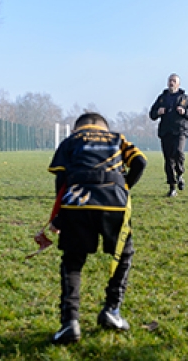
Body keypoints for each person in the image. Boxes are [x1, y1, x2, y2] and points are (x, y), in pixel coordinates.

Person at [47, 112, 147, 345]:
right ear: (104, 127)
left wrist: (58, 217)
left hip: (78, 201)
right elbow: (141, 162)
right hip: (114, 201)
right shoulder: (116, 138)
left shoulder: (71, 140)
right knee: (124, 254)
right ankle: (112, 309)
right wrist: (124, 187)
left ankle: (69, 323)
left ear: (78, 128)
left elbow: (61, 181)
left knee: (73, 261)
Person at [149, 73, 188, 197]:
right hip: (166, 132)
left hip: (180, 131)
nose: (172, 83)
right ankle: (172, 187)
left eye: (174, 81)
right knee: (168, 160)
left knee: (178, 152)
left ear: (178, 84)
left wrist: (184, 111)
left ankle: (180, 174)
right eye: (170, 80)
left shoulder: (185, 98)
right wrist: (158, 112)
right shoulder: (162, 98)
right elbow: (152, 114)